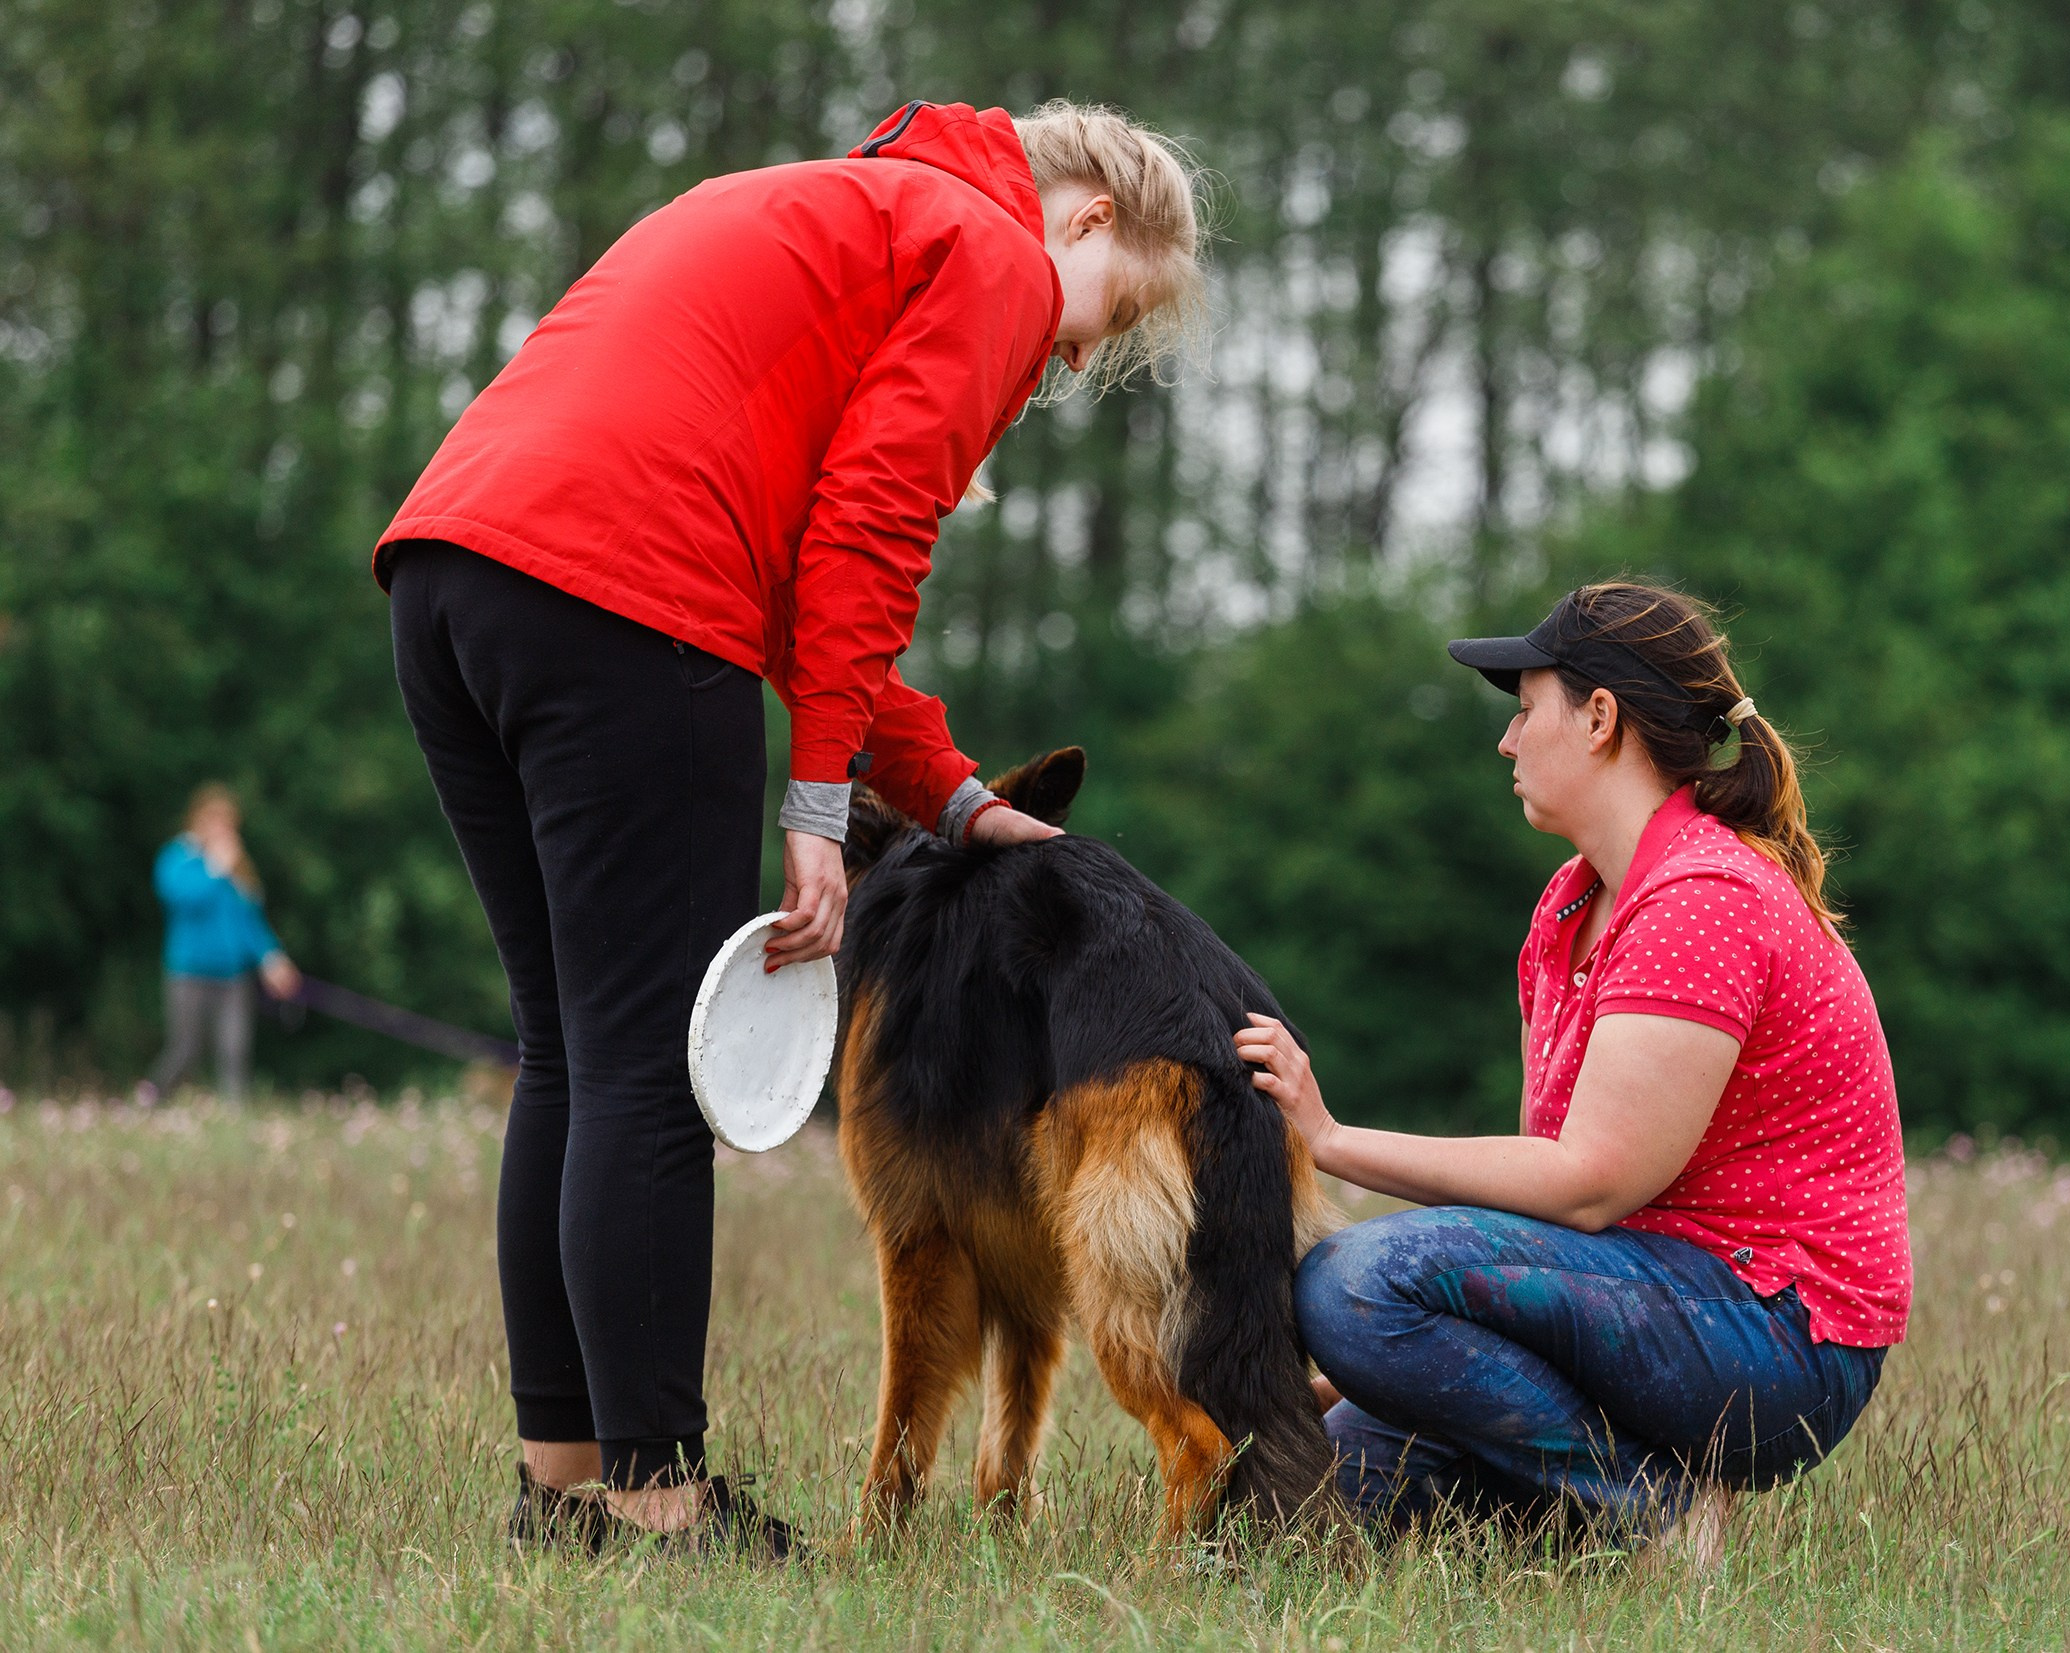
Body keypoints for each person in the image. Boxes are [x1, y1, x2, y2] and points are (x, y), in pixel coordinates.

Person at [377, 100, 1206, 1554]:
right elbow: (871, 533)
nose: (1071, 360)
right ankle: (659, 1497)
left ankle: (564, 1490)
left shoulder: (842, 211)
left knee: (568, 1049)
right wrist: (819, 810)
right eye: (1105, 320)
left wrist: (947, 792)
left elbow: (806, 601)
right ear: (1082, 221)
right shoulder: (992, 247)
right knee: (642, 1062)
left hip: (457, 574)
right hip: (628, 599)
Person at [1236, 582, 1908, 1554]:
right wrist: (1377, 1363)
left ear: (1599, 719)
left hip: (1774, 1336)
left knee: (1347, 1281)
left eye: (1522, 713)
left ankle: (1651, 1516)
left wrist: (1330, 1141)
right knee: (1294, 1503)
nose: (1506, 744)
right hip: (1638, 1307)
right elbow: (1533, 1205)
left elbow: (1588, 1184)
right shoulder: (1569, 905)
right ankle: (1591, 1508)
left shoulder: (1701, 899)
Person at [144, 784, 302, 1102]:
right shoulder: (178, 859)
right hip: (189, 972)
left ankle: (235, 1124)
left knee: (235, 1050)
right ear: (198, 821)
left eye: (229, 824)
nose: (224, 831)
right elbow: (182, 900)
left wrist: (272, 958)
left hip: (232, 975)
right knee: (185, 1049)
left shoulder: (237, 868)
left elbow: (249, 921)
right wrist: (216, 869)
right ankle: (149, 1101)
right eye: (216, 823)